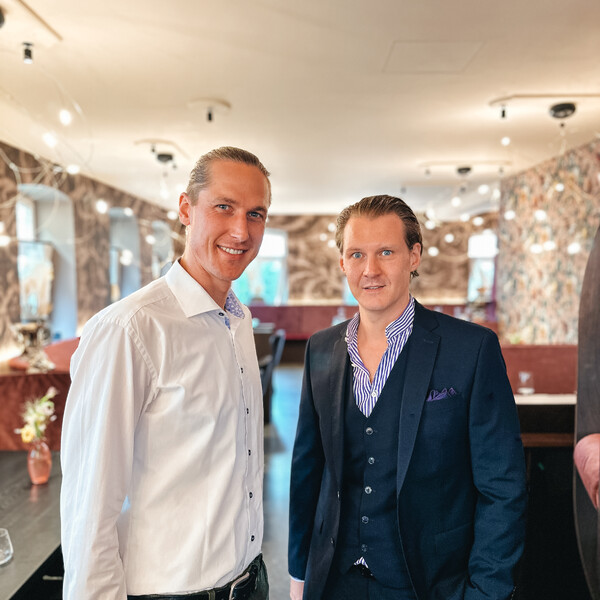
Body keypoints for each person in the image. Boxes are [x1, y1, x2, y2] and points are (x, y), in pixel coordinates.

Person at [288, 195, 527, 600]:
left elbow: (503, 486)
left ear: (413, 256)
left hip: (430, 583)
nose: (370, 269)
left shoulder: (471, 349)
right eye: (357, 254)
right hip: (333, 581)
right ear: (342, 262)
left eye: (386, 252)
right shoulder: (321, 348)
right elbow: (307, 471)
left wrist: (486, 592)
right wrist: (299, 577)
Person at [61, 146, 272, 600]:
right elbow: (89, 509)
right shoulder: (129, 329)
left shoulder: (238, 321)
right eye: (224, 207)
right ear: (186, 209)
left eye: (255, 214)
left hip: (250, 580)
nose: (241, 230)